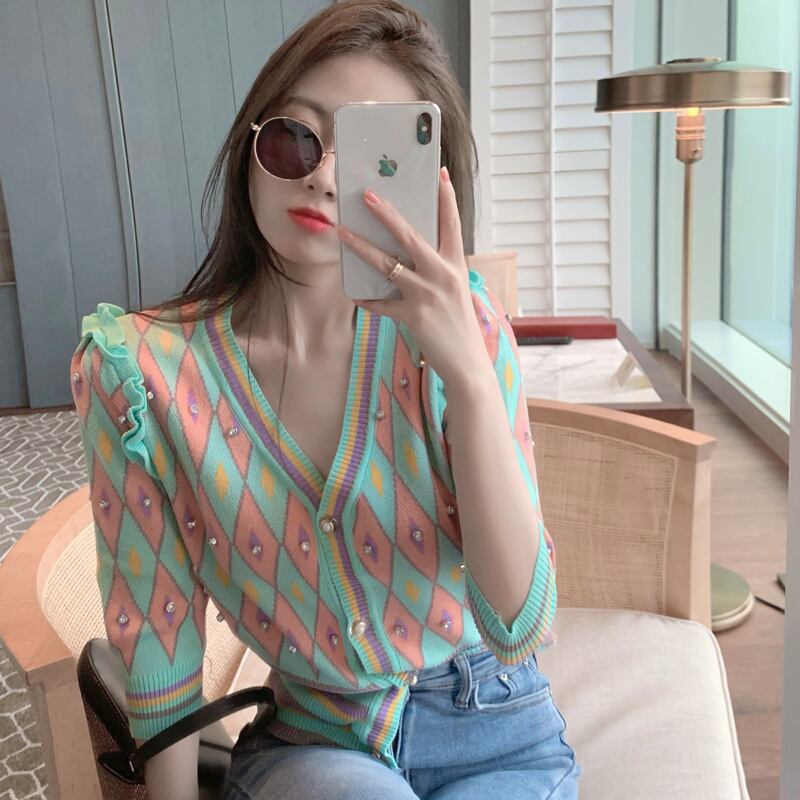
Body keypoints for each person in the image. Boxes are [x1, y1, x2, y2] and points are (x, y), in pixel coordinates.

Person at [70, 1, 582, 798]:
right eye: (296, 137)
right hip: (316, 741)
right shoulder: (142, 375)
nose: (324, 175)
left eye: (374, 155)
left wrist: (470, 378)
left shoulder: (463, 333)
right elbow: (158, 633)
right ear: (249, 148)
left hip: (496, 727)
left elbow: (518, 626)